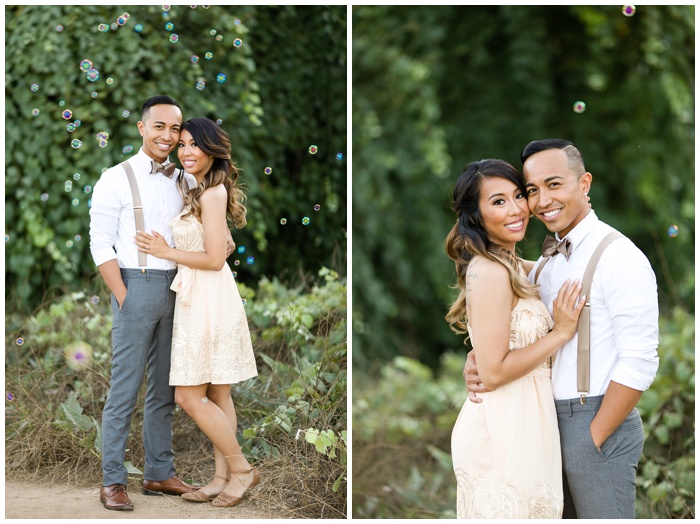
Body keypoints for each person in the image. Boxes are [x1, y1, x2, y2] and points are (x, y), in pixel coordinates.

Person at [465, 139, 659, 519]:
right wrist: (478, 358)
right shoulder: (549, 262)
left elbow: (640, 361)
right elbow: (500, 296)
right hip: (541, 425)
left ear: (584, 184)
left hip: (594, 420)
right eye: (532, 190)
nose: (540, 201)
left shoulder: (620, 258)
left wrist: (593, 438)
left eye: (554, 185)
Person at [445, 158, 586, 519]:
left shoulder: (513, 265)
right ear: (475, 215)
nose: (516, 209)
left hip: (527, 424)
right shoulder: (489, 271)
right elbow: (492, 373)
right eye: (498, 201)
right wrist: (561, 332)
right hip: (504, 431)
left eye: (518, 195)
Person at [134, 117, 259, 508]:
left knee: (189, 396)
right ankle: (220, 478)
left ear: (212, 151)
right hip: (201, 295)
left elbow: (213, 261)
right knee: (218, 391)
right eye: (182, 144)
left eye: (194, 145)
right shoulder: (202, 189)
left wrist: (165, 252)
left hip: (208, 297)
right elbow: (222, 246)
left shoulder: (211, 193)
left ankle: (242, 470)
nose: (185, 151)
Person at [89, 95, 199, 510]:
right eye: (160, 127)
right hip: (135, 285)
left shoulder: (185, 179)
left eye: (175, 129)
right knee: (125, 387)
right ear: (141, 128)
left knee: (165, 388)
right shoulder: (115, 177)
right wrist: (123, 295)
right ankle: (112, 480)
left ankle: (158, 473)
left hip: (180, 286)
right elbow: (100, 243)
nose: (169, 137)